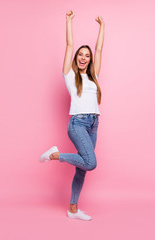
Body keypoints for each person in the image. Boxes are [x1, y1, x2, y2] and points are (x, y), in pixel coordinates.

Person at [39, 10, 105, 221]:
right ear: (76, 58)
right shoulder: (69, 75)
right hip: (77, 123)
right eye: (80, 55)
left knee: (82, 168)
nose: (84, 57)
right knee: (90, 162)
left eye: (87, 55)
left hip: (93, 123)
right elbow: (69, 45)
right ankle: (55, 155)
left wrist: (102, 27)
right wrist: (68, 21)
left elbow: (99, 48)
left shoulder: (93, 76)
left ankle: (73, 210)